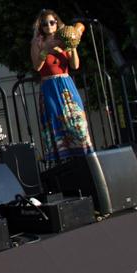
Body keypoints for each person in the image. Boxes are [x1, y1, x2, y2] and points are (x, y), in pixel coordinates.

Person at [30, 9, 93, 161]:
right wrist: (45, 51)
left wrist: (73, 46)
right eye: (45, 24)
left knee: (76, 121)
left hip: (66, 84)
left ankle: (83, 158)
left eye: (52, 22)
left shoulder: (65, 38)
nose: (49, 26)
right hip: (49, 87)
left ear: (57, 23)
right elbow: (37, 67)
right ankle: (62, 160)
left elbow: (75, 65)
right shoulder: (38, 42)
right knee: (55, 121)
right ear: (40, 26)